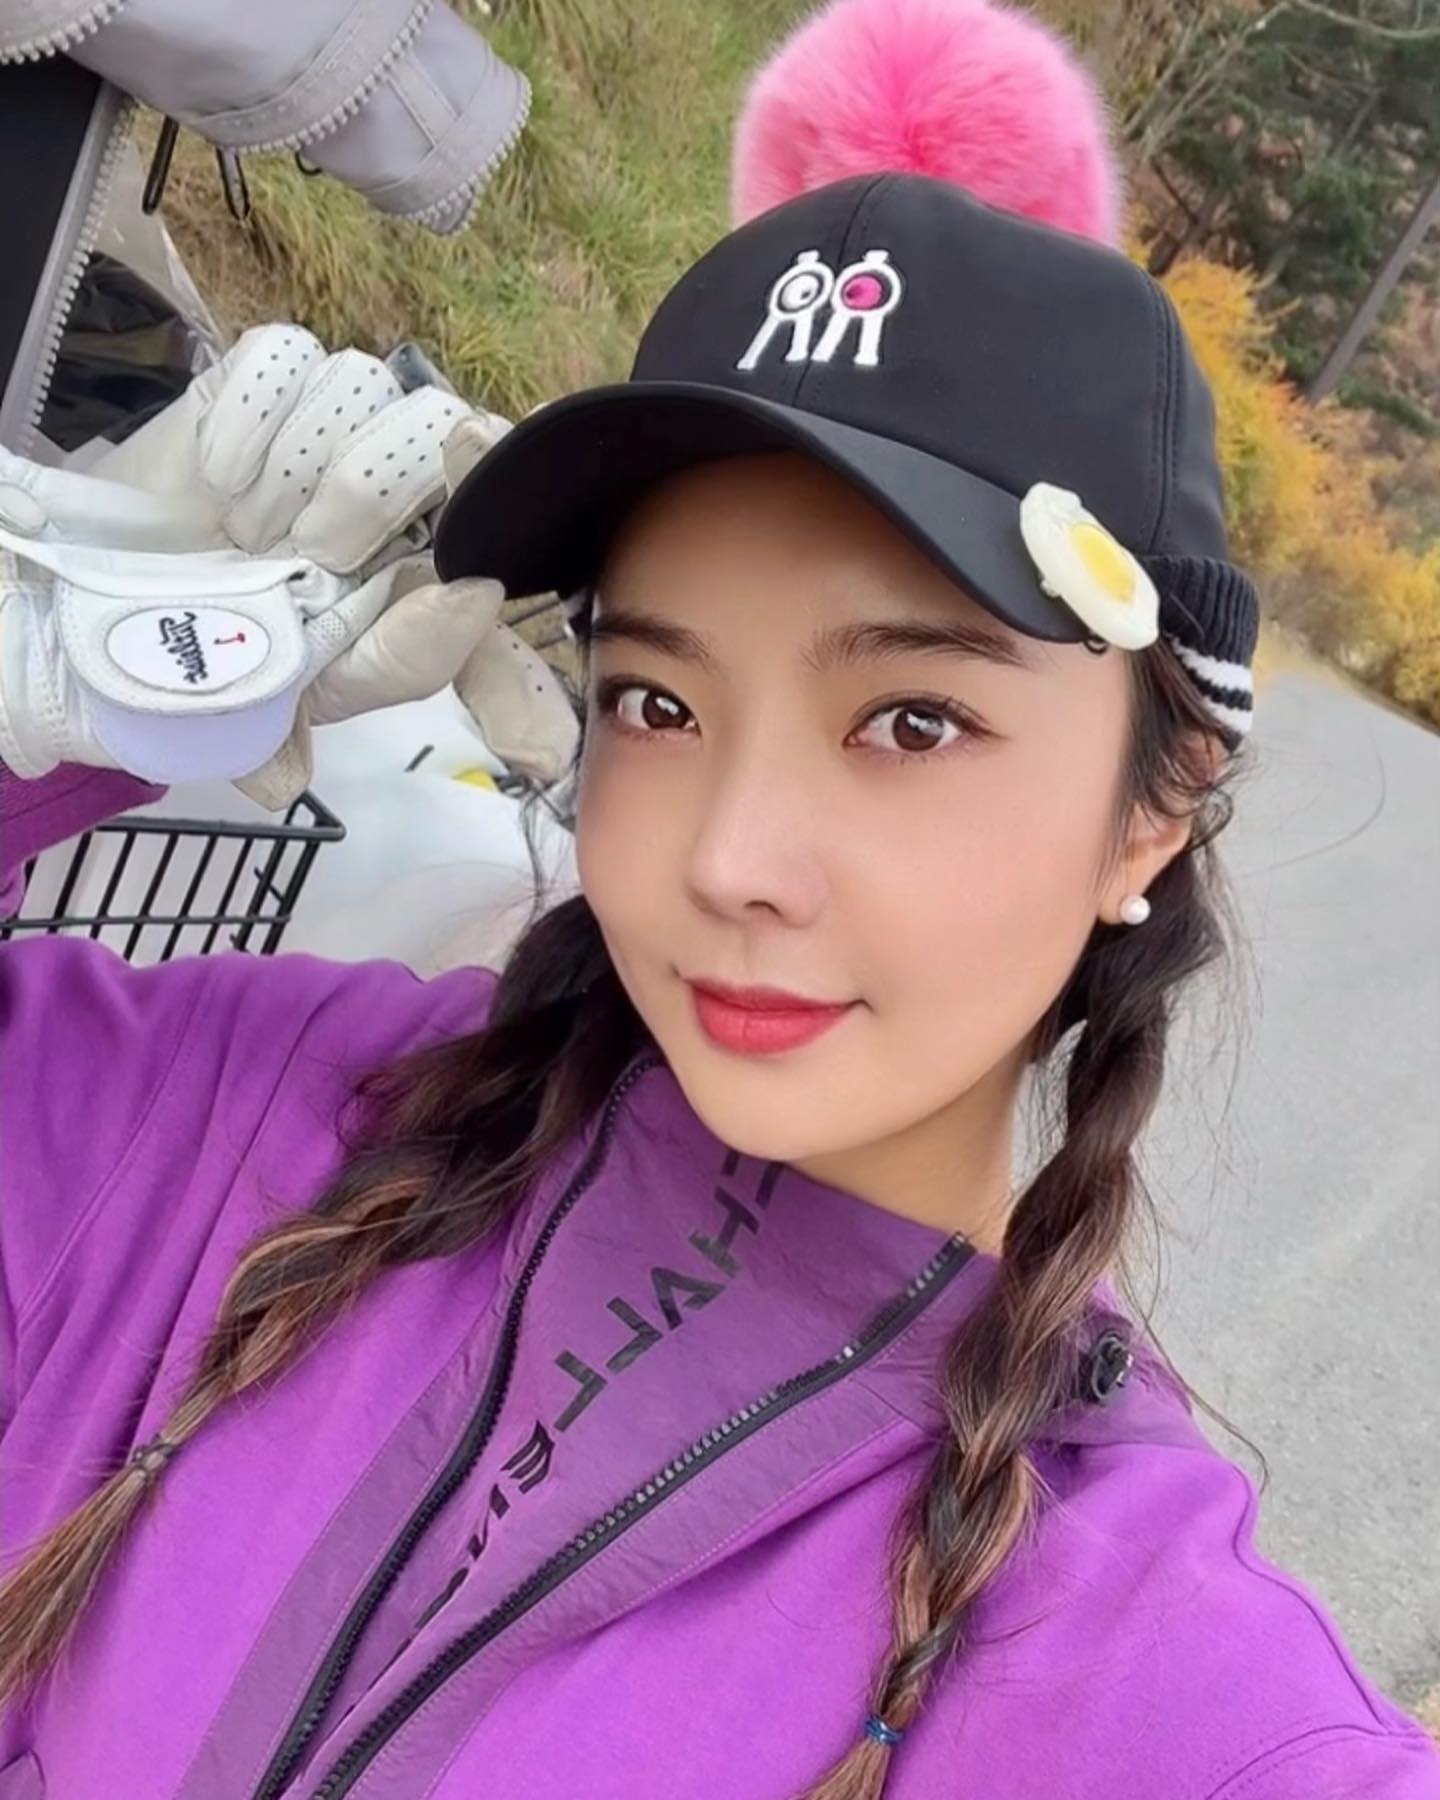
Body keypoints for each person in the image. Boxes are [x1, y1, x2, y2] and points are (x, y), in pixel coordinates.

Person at [2, 4, 1438, 1798]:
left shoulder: (1160, 1693)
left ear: (1156, 808)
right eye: (658, 704)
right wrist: (53, 725)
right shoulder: (241, 1118)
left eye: (913, 721)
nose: (728, 860)